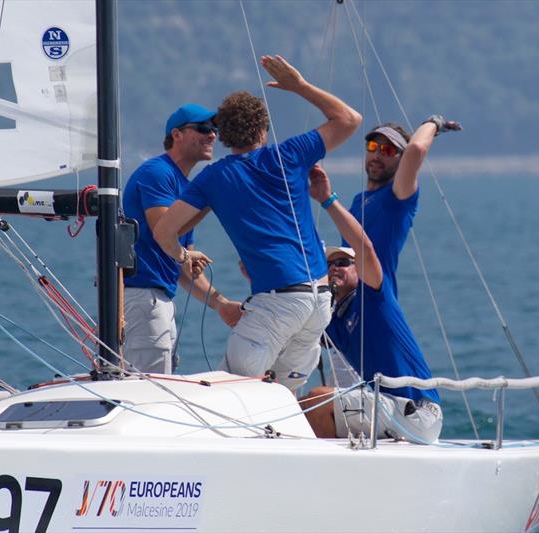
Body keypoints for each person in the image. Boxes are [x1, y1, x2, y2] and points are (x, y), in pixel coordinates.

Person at [153, 55, 361, 391]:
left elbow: (163, 231)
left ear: (222, 136)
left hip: (278, 303)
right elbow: (349, 119)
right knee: (279, 398)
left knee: (229, 394)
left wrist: (182, 256)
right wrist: (300, 86)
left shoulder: (213, 178)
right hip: (321, 301)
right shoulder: (291, 153)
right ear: (263, 129)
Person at [300, 164, 442, 444]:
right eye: (329, 265)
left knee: (317, 401)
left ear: (358, 269)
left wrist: (327, 200)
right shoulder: (334, 322)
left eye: (343, 262)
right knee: (302, 404)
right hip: (389, 410)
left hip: (418, 414)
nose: (335, 269)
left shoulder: (374, 296)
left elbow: (365, 248)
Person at [122, 104, 242, 374]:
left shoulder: (186, 190)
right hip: (143, 297)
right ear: (176, 135)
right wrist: (209, 201)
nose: (212, 135)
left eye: (214, 130)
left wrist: (221, 304)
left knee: (156, 384)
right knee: (147, 390)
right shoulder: (158, 173)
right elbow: (164, 231)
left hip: (158, 300)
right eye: (203, 128)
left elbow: (183, 269)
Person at [348, 116, 461, 295]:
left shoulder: (397, 196)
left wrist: (434, 123)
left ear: (402, 160)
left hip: (377, 298)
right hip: (349, 302)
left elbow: (415, 149)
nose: (377, 155)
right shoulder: (358, 200)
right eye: (372, 147)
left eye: (388, 150)